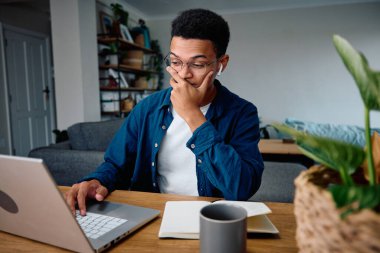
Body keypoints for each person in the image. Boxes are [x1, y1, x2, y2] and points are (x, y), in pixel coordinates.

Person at [65, 8, 264, 215]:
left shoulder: (243, 112)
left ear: (221, 64)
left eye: (197, 64)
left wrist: (193, 115)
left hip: (214, 219)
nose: (183, 74)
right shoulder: (147, 108)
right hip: (153, 215)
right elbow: (116, 165)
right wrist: (97, 181)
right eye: (176, 62)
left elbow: (241, 188)